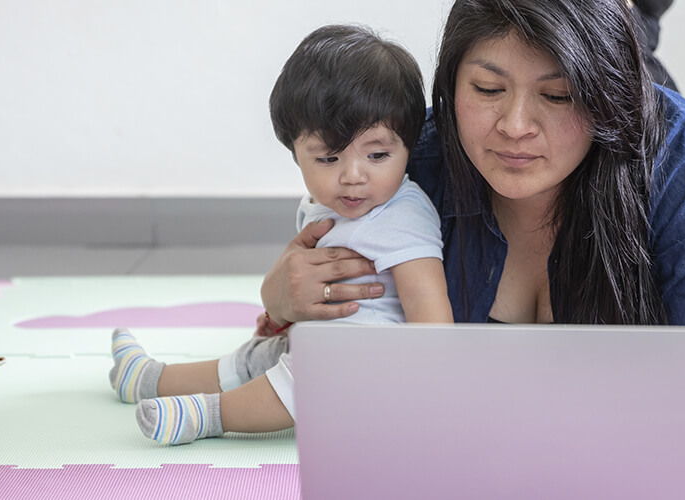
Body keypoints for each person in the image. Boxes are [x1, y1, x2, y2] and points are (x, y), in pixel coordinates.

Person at [258, 0, 685, 452]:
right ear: (450, 86)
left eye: (558, 95)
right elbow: (326, 314)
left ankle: (633, 38)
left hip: (652, 173)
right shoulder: (411, 158)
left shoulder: (682, 158)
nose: (514, 127)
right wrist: (280, 299)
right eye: (487, 90)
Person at [109, 24, 453, 445]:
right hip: (320, 342)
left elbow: (430, 311)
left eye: (378, 155)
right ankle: (149, 379)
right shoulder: (324, 202)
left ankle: (208, 417)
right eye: (328, 157)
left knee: (298, 380)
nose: (353, 176)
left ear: (410, 145)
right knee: (254, 359)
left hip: (368, 364)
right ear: (295, 152)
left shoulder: (403, 213)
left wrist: (429, 396)